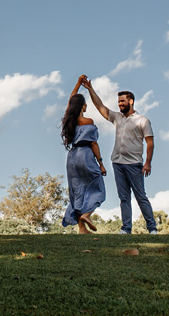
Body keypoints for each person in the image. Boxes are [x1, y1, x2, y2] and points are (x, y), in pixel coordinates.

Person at [82, 76, 158, 235]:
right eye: (118, 102)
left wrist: (148, 163)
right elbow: (100, 106)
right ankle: (126, 228)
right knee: (124, 198)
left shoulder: (142, 120)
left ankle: (152, 228)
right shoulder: (117, 117)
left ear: (131, 102)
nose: (120, 104)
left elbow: (150, 143)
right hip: (117, 163)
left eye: (122, 101)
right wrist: (90, 89)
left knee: (140, 197)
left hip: (134, 164)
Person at [60, 76, 106, 233]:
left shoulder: (69, 121)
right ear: (82, 106)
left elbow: (71, 100)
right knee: (97, 183)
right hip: (85, 154)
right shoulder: (88, 122)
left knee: (77, 190)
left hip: (72, 157)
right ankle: (87, 214)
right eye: (85, 104)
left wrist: (78, 84)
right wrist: (101, 163)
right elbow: (93, 143)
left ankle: (81, 228)